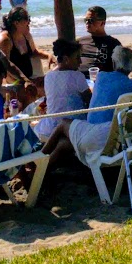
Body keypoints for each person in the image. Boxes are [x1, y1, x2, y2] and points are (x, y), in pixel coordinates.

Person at [68, 46, 132, 160]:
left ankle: (42, 156)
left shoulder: (101, 77)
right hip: (116, 139)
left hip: (94, 133)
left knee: (64, 125)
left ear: (114, 63)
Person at [35, 38, 91, 172]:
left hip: (52, 126)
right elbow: (89, 100)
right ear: (66, 59)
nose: (80, 61)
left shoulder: (49, 76)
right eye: (77, 58)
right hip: (71, 124)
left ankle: (42, 157)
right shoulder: (77, 76)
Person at [0, 7, 49, 79]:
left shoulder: (26, 35)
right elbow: (4, 68)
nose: (29, 21)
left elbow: (34, 52)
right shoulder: (5, 40)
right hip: (11, 81)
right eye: (27, 19)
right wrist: (24, 82)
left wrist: (49, 56)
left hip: (27, 78)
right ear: (16, 23)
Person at [78, 5, 122, 74]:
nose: (87, 23)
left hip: (100, 81)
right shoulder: (80, 41)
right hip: (78, 79)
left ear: (102, 23)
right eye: (86, 20)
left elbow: (119, 69)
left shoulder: (113, 44)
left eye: (91, 20)